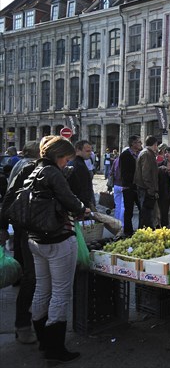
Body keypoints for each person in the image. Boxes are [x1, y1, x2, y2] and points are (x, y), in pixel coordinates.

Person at [27, 136, 90, 362]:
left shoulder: (34, 170)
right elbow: (70, 201)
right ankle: (55, 348)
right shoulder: (53, 172)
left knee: (42, 289)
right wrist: (83, 209)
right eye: (66, 158)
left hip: (35, 239)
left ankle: (43, 339)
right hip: (58, 238)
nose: (67, 163)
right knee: (61, 293)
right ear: (59, 156)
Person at [0, 139, 43, 345]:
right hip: (28, 226)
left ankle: (28, 324)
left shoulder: (21, 164)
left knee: (30, 273)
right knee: (32, 277)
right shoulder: (29, 167)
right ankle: (24, 325)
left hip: (22, 224)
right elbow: (10, 198)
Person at [134, 136, 159, 229]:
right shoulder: (147, 154)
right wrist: (151, 189)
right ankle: (145, 232)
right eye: (157, 145)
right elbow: (146, 173)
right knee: (146, 213)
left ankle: (144, 231)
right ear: (155, 144)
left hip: (145, 188)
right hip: (145, 189)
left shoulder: (146, 153)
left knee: (146, 213)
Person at [120, 135, 142, 236]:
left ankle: (141, 229)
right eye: (138, 142)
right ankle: (128, 231)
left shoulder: (138, 154)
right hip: (129, 187)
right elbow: (124, 172)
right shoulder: (125, 155)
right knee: (129, 210)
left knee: (142, 208)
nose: (140, 144)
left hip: (137, 187)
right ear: (133, 144)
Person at [67, 140, 96, 210]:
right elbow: (83, 188)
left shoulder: (75, 162)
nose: (90, 153)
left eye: (90, 151)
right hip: (80, 204)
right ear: (78, 150)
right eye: (87, 151)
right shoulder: (79, 165)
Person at [157, 146, 170, 227]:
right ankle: (164, 227)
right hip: (164, 191)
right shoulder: (161, 164)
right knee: (163, 211)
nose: (166, 154)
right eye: (165, 152)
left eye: (168, 152)